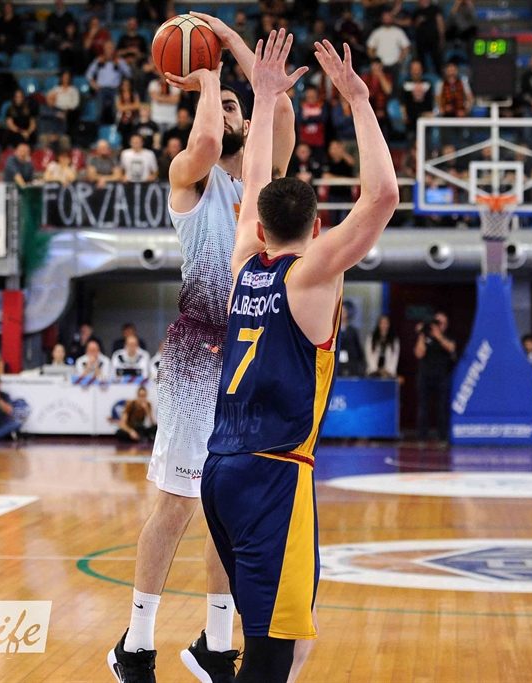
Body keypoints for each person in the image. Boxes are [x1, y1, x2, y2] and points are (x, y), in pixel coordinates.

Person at [107, 16, 301, 683]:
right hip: (196, 356)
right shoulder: (188, 175)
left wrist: (237, 50)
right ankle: (135, 644)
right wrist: (210, 71)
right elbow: (211, 137)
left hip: (248, 355)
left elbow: (279, 109)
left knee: (231, 503)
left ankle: (216, 644)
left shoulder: (264, 189)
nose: (230, 112)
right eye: (220, 105)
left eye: (238, 108)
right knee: (177, 502)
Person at [199, 34, 398, 682]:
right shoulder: (310, 276)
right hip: (274, 476)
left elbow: (256, 181)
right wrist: (359, 101)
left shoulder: (242, 264)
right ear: (316, 229)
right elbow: (382, 197)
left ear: (258, 227)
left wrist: (264, 99)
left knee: (283, 634)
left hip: (220, 469)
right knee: (271, 652)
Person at [414, 311, 457, 442]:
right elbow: (419, 353)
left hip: (441, 377)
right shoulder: (425, 337)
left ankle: (442, 436)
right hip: (425, 376)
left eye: (441, 323)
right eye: (436, 322)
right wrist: (422, 334)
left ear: (446, 324)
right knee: (423, 407)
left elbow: (451, 348)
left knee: (441, 407)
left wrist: (439, 336)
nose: (438, 325)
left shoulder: (448, 337)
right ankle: (422, 437)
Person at [336, 303, 366, 376]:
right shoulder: (334, 330)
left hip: (351, 365)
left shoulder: (353, 331)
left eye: (344, 312)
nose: (342, 314)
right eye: (341, 311)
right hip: (337, 364)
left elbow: (358, 350)